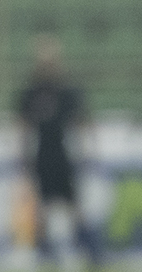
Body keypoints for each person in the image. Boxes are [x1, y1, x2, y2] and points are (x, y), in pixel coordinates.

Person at [15, 35, 102, 268]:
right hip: (42, 155)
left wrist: (87, 151)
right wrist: (22, 158)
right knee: (42, 207)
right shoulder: (31, 91)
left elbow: (81, 121)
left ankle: (89, 249)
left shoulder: (66, 89)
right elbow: (23, 127)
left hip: (63, 153)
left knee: (73, 205)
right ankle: (45, 251)